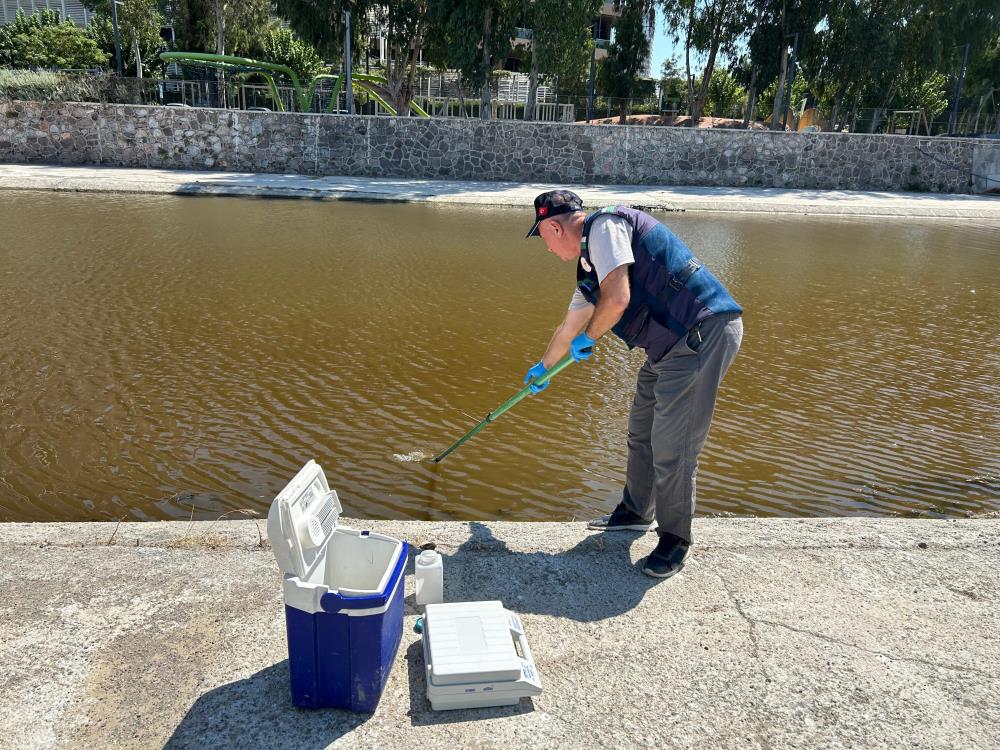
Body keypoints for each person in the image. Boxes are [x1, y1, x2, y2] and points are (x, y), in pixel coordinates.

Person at [524, 190, 743, 578]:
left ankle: (676, 538)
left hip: (701, 336)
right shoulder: (590, 268)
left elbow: (619, 299)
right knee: (641, 429)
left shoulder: (605, 227)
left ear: (555, 227)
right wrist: (543, 367)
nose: (546, 248)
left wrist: (590, 338)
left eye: (542, 237)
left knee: (674, 445)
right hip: (668, 348)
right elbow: (569, 326)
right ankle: (635, 511)